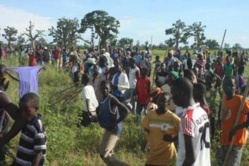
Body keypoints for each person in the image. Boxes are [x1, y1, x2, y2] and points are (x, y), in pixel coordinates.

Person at [171, 77, 211, 166]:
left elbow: (190, 158)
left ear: (181, 94)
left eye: (173, 94)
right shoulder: (202, 112)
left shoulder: (187, 119)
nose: (172, 98)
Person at [216, 76, 249, 166]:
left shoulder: (241, 100)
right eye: (225, 85)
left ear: (236, 86)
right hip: (225, 140)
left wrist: (235, 129)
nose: (228, 87)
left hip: (236, 141)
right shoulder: (224, 99)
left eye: (231, 85)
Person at [142, 92, 180, 166]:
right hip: (154, 152)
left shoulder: (172, 117)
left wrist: (172, 139)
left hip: (167, 152)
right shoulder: (151, 115)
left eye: (163, 101)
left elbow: (184, 131)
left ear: (168, 104)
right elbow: (146, 129)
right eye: (159, 100)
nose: (160, 103)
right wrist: (149, 142)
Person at [97, 80, 129, 166]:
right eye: (103, 88)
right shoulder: (102, 99)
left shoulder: (112, 99)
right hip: (109, 129)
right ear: (100, 88)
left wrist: (115, 123)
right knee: (108, 154)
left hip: (114, 130)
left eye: (107, 89)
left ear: (110, 89)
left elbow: (126, 111)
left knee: (104, 155)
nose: (105, 90)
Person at [12, 92, 46, 165]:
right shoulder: (28, 122)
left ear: (36, 109)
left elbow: (39, 154)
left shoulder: (37, 126)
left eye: (27, 111)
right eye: (21, 111)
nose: (23, 114)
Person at [0, 84, 10, 165]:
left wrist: (2, 132)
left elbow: (8, 119)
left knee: (2, 148)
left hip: (1, 132)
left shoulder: (3, 107)